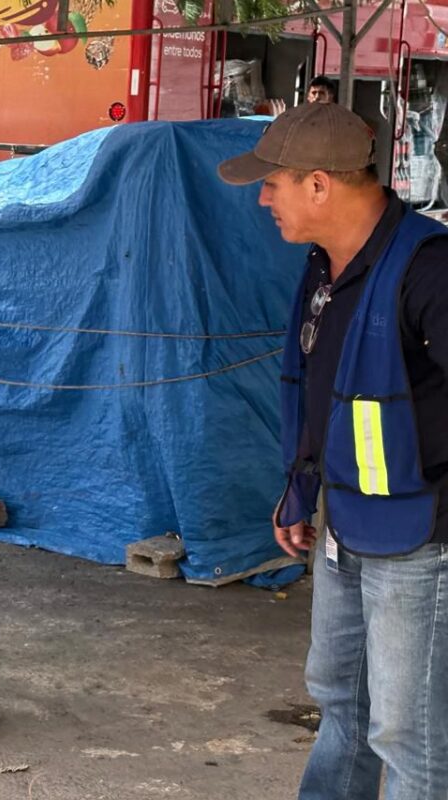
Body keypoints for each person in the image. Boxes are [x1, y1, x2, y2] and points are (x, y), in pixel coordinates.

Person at [219, 102, 448, 798]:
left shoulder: (430, 270)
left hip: (420, 541)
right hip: (345, 528)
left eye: (273, 184)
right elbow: (328, 392)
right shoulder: (327, 268)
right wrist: (303, 489)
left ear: (318, 185)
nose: (263, 199)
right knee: (342, 707)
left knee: (409, 735)